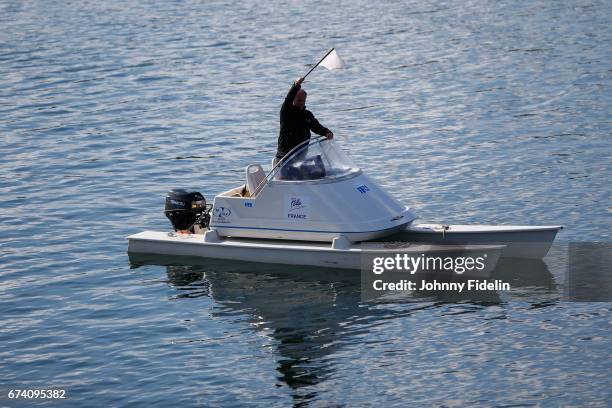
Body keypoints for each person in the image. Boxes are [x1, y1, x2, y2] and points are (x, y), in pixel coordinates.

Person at [275, 77, 334, 165]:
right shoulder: (286, 112)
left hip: (300, 158)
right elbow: (288, 99)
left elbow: (317, 127)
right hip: (285, 158)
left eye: (303, 100)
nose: (301, 102)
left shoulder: (307, 115)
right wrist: (296, 85)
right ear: (293, 100)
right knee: (305, 170)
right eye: (299, 100)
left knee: (318, 161)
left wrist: (327, 132)